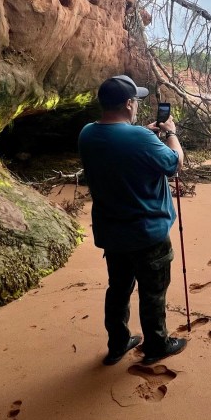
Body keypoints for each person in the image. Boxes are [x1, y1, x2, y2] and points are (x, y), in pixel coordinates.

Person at [78, 74, 187, 366]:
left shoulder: (87, 133)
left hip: (112, 232)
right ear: (128, 104)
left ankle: (118, 344)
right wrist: (171, 133)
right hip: (147, 231)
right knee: (153, 291)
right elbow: (174, 163)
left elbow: (119, 142)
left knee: (119, 289)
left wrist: (146, 133)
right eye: (135, 100)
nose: (137, 105)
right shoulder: (139, 138)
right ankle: (157, 344)